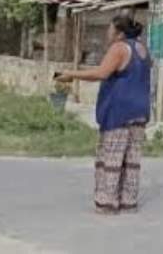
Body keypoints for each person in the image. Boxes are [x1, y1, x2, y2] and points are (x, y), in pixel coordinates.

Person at [56, 14, 150, 215]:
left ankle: (108, 203)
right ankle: (128, 203)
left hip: (120, 110)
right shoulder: (142, 48)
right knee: (131, 159)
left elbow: (101, 73)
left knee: (112, 157)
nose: (107, 32)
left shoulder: (118, 48)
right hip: (139, 110)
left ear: (119, 33)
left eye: (110, 29)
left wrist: (71, 74)